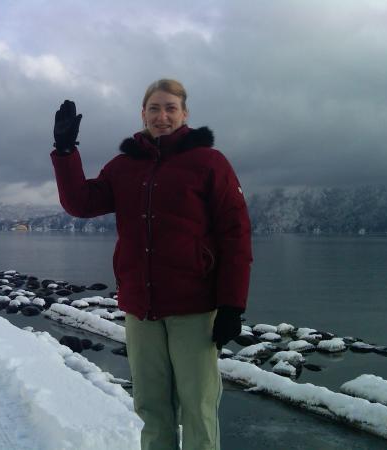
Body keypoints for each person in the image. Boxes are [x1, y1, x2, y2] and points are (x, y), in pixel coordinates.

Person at [50, 79, 252, 450]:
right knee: (151, 407)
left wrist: (231, 305)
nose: (162, 116)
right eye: (155, 109)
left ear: (185, 114)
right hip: (141, 310)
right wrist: (65, 151)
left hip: (194, 308)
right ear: (142, 114)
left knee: (198, 408)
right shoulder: (125, 166)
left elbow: (235, 235)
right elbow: (81, 203)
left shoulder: (209, 163)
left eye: (170, 108)